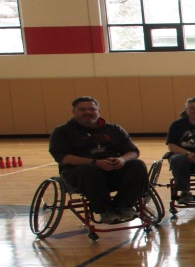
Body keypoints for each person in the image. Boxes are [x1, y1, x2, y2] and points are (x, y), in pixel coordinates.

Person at [49, 96, 148, 224]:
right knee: (90, 170)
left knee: (137, 165)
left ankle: (123, 206)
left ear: (98, 110)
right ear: (74, 111)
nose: (88, 112)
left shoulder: (114, 129)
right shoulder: (62, 132)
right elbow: (62, 157)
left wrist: (122, 159)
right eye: (82, 109)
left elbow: (133, 151)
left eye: (92, 109)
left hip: (113, 171)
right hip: (80, 173)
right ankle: (105, 210)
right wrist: (95, 163)